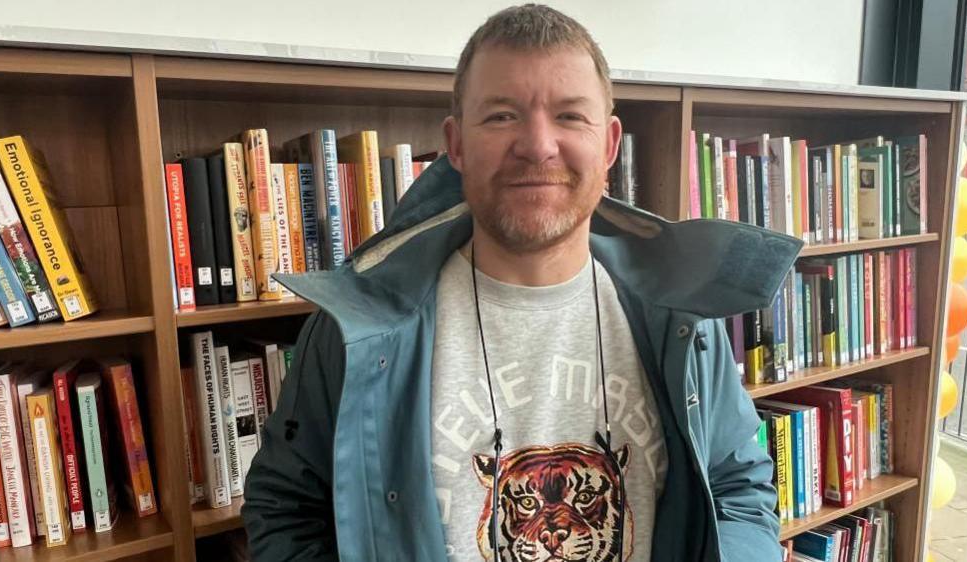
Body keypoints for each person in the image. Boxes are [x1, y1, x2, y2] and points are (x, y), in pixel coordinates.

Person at [243, 4, 802, 561]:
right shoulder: (358, 330)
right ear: (456, 144)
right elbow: (287, 510)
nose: (537, 145)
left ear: (608, 146)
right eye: (502, 115)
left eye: (569, 115)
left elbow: (737, 490)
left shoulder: (680, 317)